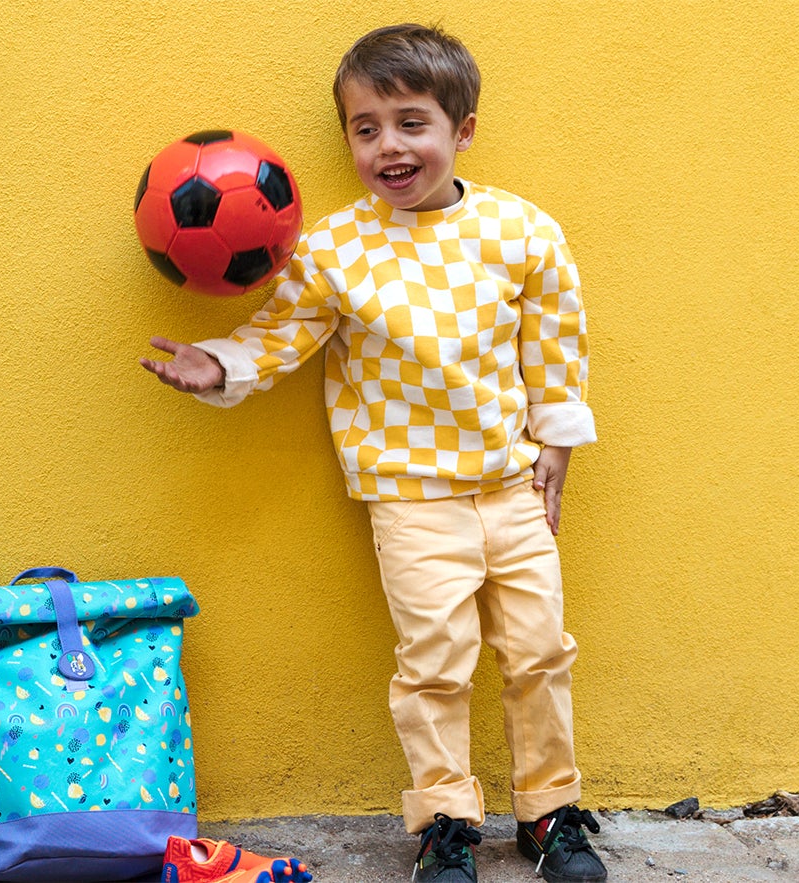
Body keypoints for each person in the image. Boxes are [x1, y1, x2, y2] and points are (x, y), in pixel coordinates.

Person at [138, 23, 606, 883]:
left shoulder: (522, 232)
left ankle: (549, 812)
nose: (388, 145)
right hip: (409, 497)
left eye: (410, 123)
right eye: (366, 128)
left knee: (541, 650)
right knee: (434, 664)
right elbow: (285, 331)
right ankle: (445, 820)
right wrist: (222, 363)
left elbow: (555, 344)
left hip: (511, 487)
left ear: (463, 129)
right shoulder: (337, 250)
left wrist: (559, 442)